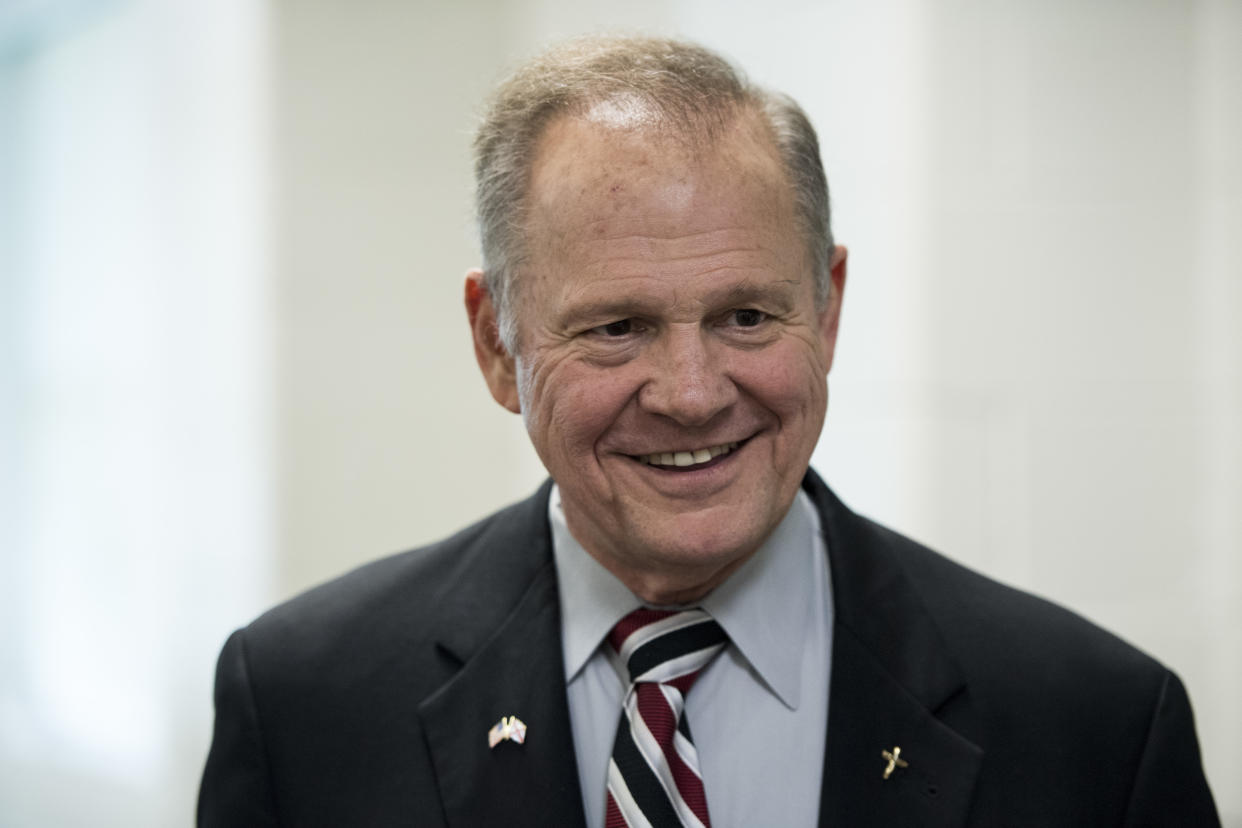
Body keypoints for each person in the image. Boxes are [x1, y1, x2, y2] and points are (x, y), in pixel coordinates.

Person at [198, 36, 1219, 827]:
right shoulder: (303, 704)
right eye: (617, 327)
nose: (690, 394)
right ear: (497, 344)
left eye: (745, 316)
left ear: (827, 308)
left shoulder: (1096, 729)